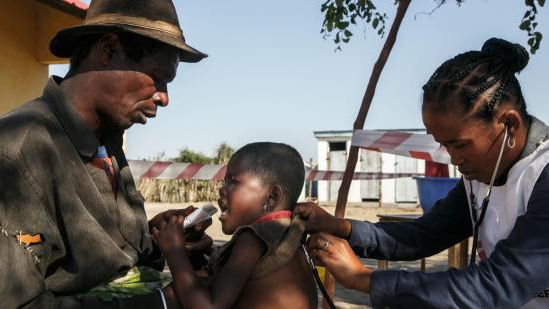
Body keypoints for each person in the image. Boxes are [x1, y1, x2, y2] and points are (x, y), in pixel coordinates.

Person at [297, 38, 549, 309]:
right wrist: (341, 227)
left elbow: (496, 284)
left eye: (460, 144)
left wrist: (364, 278)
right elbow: (424, 235)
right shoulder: (478, 179)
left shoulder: (541, 176)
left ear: (508, 124)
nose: (454, 159)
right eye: (444, 145)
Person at [0, 0, 213, 308]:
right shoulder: (17, 154)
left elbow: (109, 260)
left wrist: (162, 243)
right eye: (158, 77)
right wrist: (160, 303)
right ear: (109, 50)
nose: (164, 98)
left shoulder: (108, 143)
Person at [152, 142, 318, 309]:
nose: (222, 190)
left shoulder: (253, 238)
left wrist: (175, 253)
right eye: (224, 182)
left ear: (271, 198)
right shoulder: (287, 230)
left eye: (233, 182)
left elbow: (209, 306)